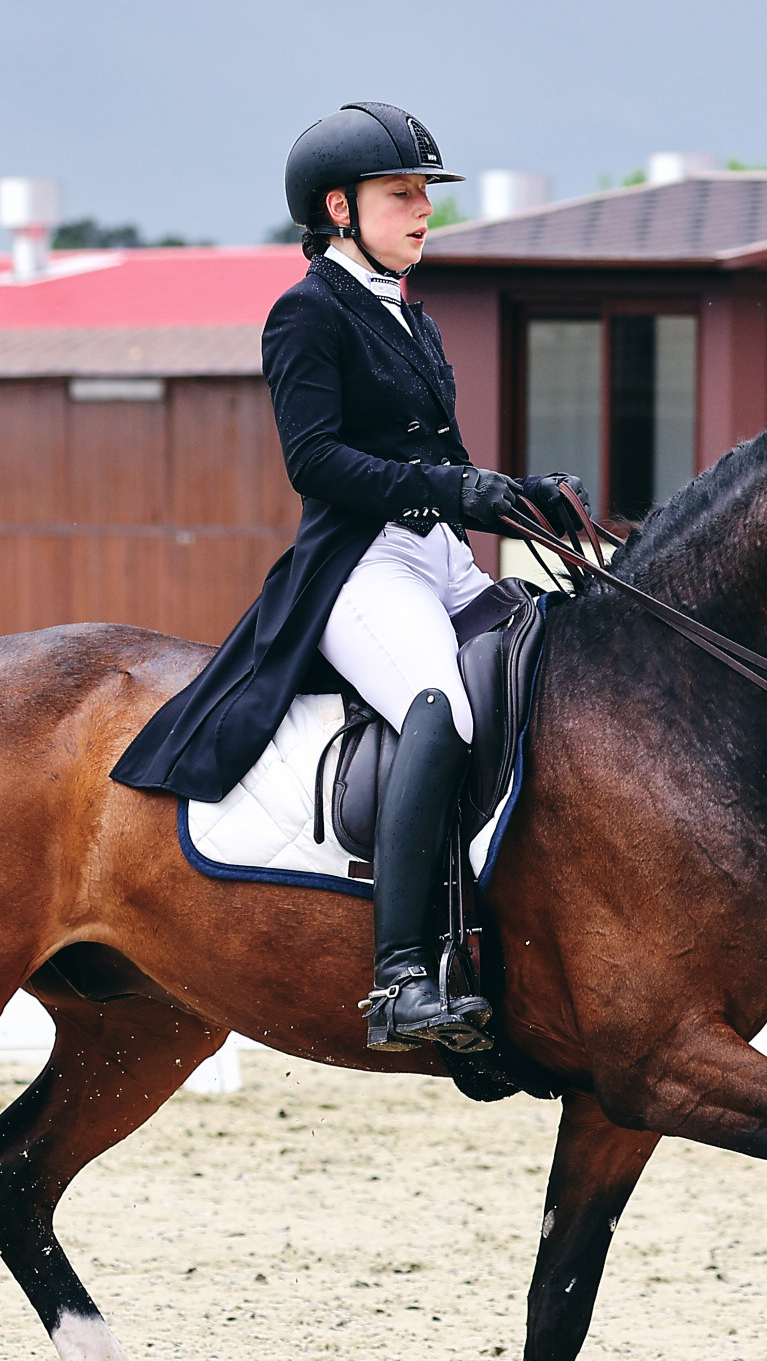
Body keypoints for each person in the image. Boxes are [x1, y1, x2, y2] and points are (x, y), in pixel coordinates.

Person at [112, 102, 586, 1054]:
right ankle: (403, 974)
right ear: (339, 206)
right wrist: (456, 486)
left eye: (424, 195)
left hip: (439, 554)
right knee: (440, 707)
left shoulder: (406, 310)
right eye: (402, 194)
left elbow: (433, 455)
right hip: (359, 564)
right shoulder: (307, 312)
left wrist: (520, 495)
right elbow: (318, 461)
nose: (423, 212)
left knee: (552, 675)